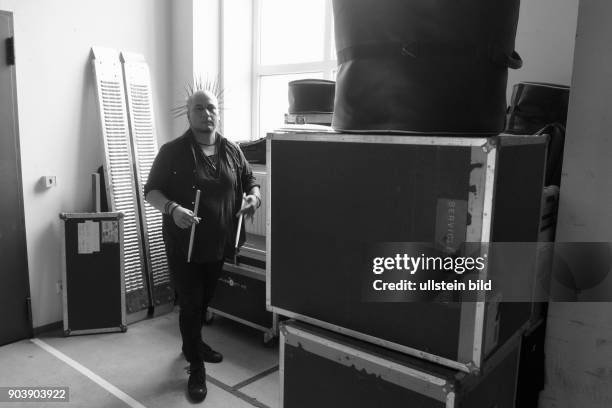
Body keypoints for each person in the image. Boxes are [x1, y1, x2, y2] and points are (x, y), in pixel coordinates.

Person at [144, 89, 261, 402]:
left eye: (211, 108)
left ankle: (190, 343)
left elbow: (251, 181)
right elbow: (151, 191)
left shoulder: (233, 150)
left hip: (219, 242)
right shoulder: (172, 151)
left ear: (217, 112)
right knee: (192, 302)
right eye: (199, 108)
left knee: (206, 298)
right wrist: (173, 209)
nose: (206, 113)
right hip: (186, 244)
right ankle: (196, 365)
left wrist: (255, 198)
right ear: (188, 113)